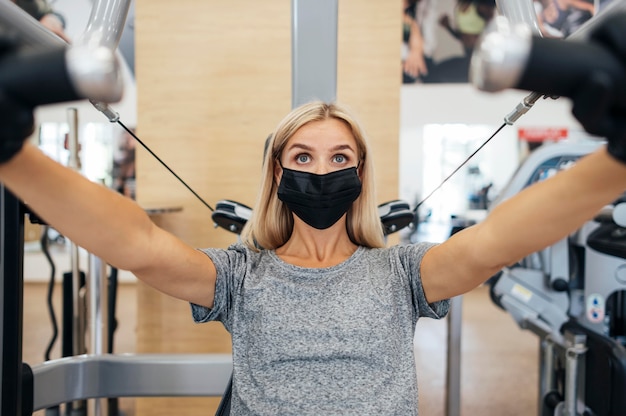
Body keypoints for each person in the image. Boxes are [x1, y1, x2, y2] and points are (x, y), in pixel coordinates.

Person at [2, 12, 626, 416]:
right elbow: (137, 244)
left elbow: (493, 243)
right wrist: (11, 152)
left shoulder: (401, 275)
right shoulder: (241, 275)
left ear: (359, 175)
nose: (322, 172)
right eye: (302, 155)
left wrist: (618, 160)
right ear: (277, 173)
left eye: (340, 157)